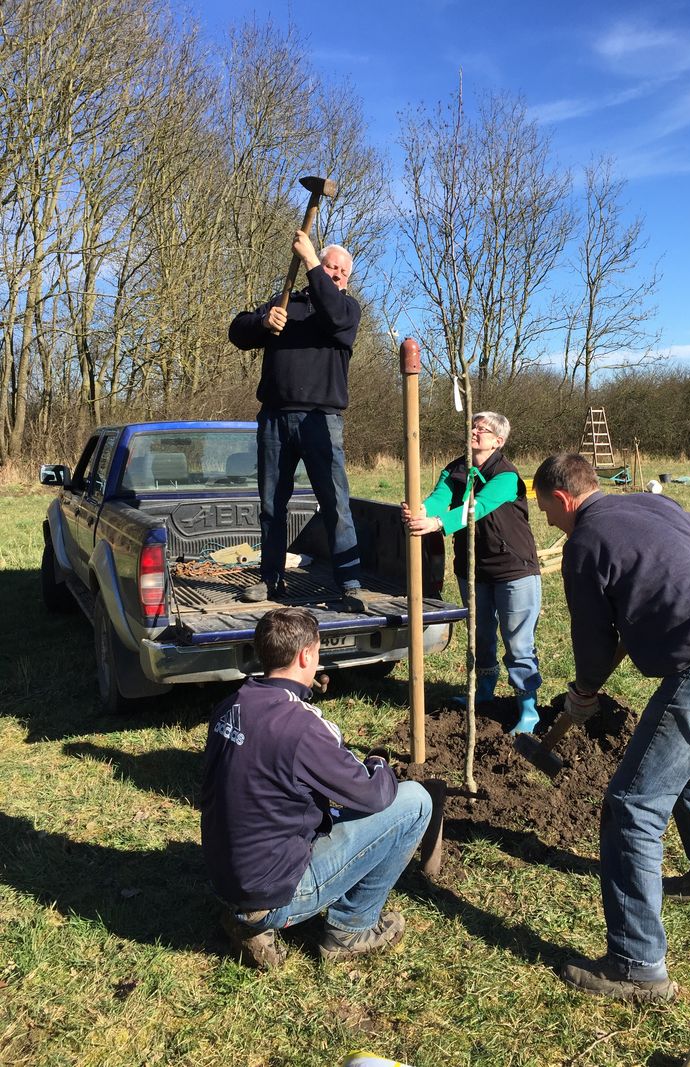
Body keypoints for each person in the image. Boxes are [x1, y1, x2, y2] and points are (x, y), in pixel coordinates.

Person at [533, 453, 690, 1003]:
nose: (548, 520)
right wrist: (670, 577)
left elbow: (592, 640)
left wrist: (583, 691)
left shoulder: (584, 544)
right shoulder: (652, 504)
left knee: (632, 806)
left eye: (545, 509)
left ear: (563, 499)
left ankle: (637, 964)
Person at [200, 606, 432, 967]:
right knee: (415, 801)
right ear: (306, 655)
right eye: (319, 651)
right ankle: (351, 930)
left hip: (225, 879)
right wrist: (378, 763)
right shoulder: (304, 727)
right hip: (273, 891)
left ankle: (248, 917)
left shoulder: (231, 705)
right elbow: (373, 795)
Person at [229, 232, 362, 603]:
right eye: (331, 267)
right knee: (271, 505)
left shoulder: (346, 310)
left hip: (321, 419)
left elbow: (334, 313)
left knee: (335, 503)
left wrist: (311, 260)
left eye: (341, 272)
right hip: (274, 418)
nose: (335, 274)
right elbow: (237, 331)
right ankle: (271, 579)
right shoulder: (286, 303)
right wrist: (263, 323)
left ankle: (349, 584)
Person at [402, 412, 542, 734]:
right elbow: (440, 498)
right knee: (481, 637)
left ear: (498, 441)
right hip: (472, 571)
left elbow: (476, 507)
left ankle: (528, 709)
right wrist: (421, 511)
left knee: (518, 642)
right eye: (473, 426)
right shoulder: (456, 469)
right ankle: (484, 692)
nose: (475, 431)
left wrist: (438, 524)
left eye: (484, 429)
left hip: (513, 571)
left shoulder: (506, 476)